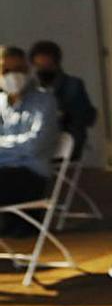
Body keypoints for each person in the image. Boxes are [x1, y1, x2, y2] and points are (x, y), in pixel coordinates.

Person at [0, 46, 61, 234]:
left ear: (28, 71)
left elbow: (35, 145)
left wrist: (3, 147)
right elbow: (25, 145)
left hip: (30, 176)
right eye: (6, 71)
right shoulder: (1, 103)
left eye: (19, 69)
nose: (13, 75)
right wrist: (16, 147)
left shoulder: (44, 102)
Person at [29, 40, 97, 159]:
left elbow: (87, 118)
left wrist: (62, 114)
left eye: (47, 66)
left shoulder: (73, 85)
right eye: (39, 66)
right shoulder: (31, 88)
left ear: (56, 64)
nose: (42, 71)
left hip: (63, 139)